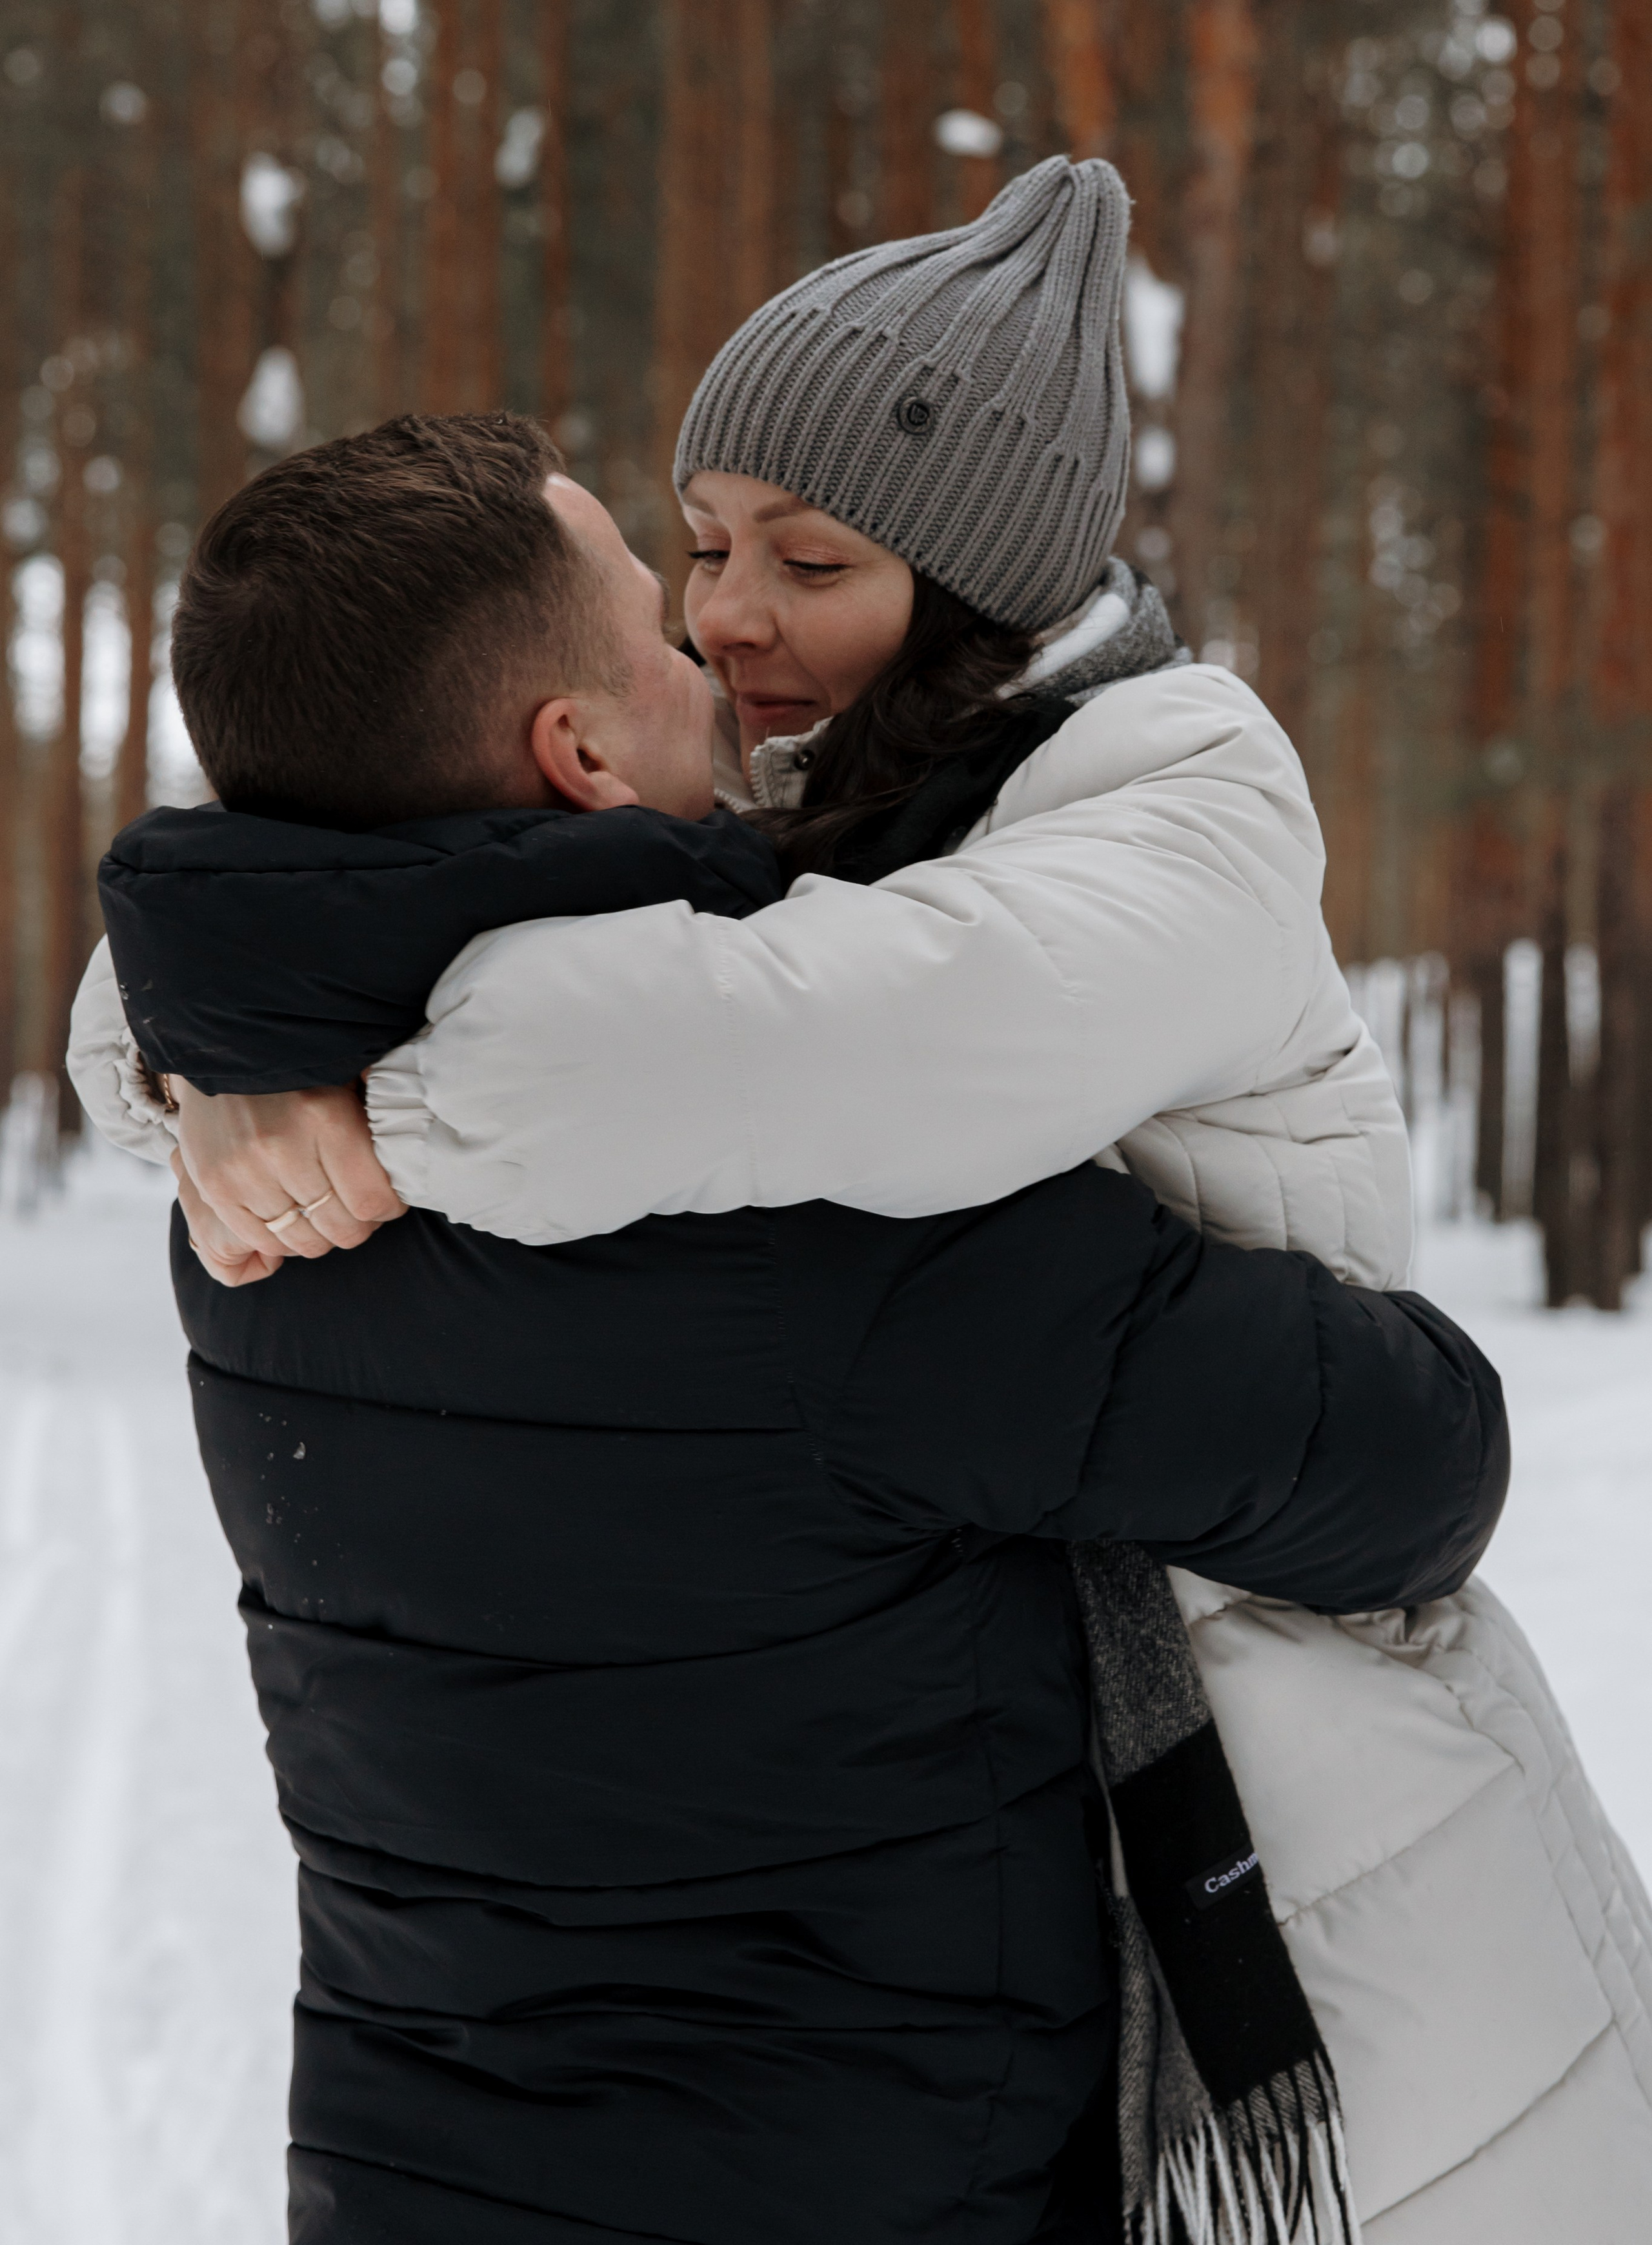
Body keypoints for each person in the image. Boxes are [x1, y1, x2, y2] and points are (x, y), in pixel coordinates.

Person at [76, 158, 1652, 2235]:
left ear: (976, 582)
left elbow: (835, 1020)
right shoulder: (780, 983)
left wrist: (286, 1062)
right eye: (696, 554)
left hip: (1290, 1842)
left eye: (801, 561)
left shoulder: (1163, 805)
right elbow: (1396, 1446)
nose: (723, 623)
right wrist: (215, 1051)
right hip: (1032, 1954)